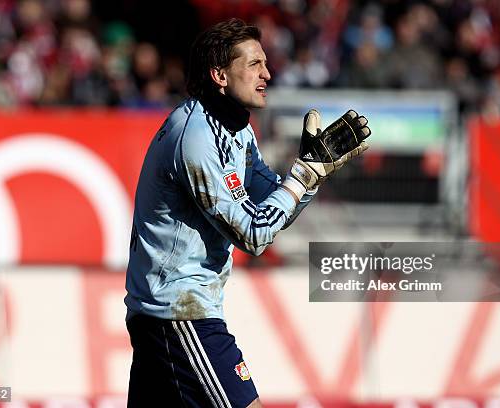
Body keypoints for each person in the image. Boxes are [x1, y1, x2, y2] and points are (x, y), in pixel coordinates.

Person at [124, 18, 371, 408]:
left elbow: (273, 204)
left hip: (166, 313)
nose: (268, 74)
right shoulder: (197, 139)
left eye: (266, 63)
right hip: (178, 315)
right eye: (254, 64)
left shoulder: (237, 130)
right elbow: (254, 235)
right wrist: (304, 175)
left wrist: (310, 175)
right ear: (220, 75)